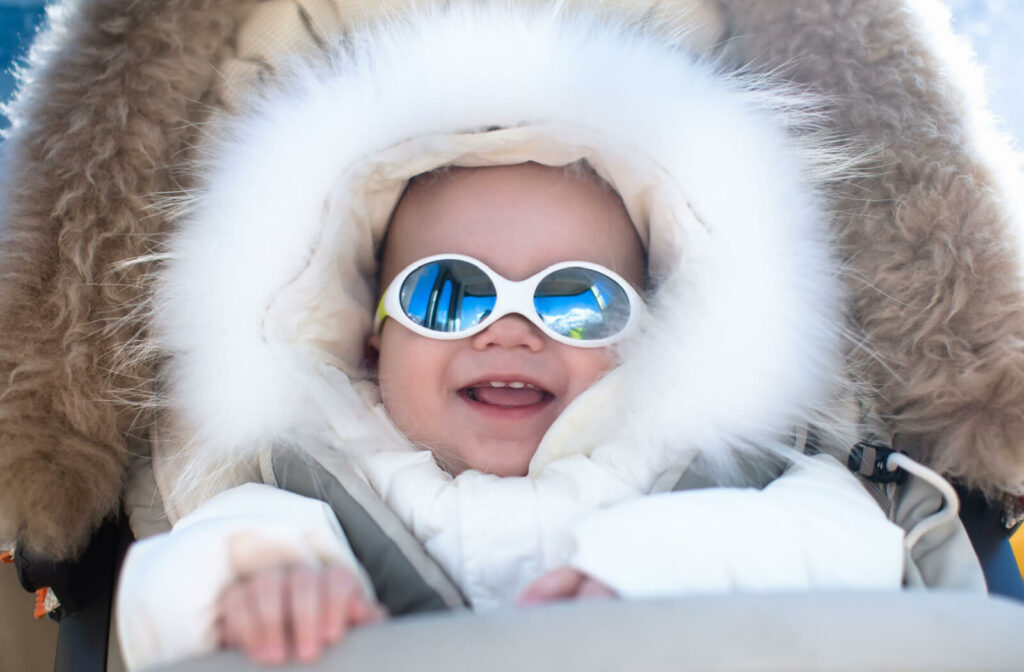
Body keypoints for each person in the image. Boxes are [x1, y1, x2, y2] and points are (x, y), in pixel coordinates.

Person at [115, 6, 910, 669]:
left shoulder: (721, 475)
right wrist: (258, 589)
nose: (510, 329)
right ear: (369, 339)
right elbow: (172, 578)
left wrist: (659, 564)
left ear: (655, 336)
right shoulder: (294, 500)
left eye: (578, 301)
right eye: (447, 294)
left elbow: (856, 547)